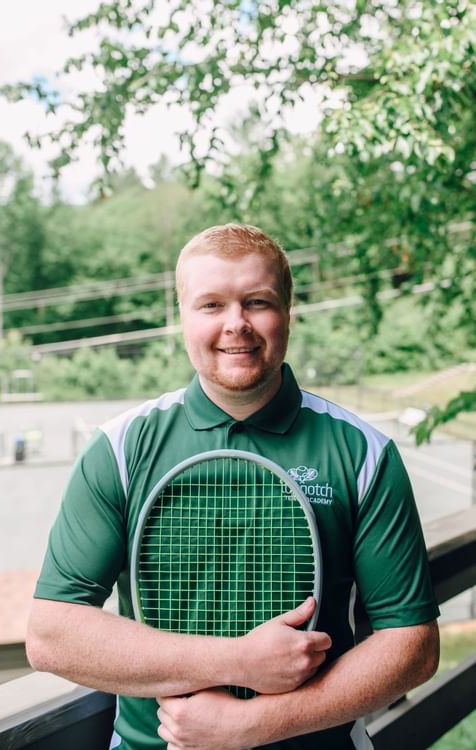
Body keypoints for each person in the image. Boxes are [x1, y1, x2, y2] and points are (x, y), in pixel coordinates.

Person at [27, 223, 440, 750]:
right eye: (211, 305)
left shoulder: (364, 453)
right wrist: (236, 661)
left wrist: (251, 727)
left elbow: (412, 645)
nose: (236, 325)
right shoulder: (119, 450)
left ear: (288, 312)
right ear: (182, 318)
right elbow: (51, 635)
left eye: (257, 302)